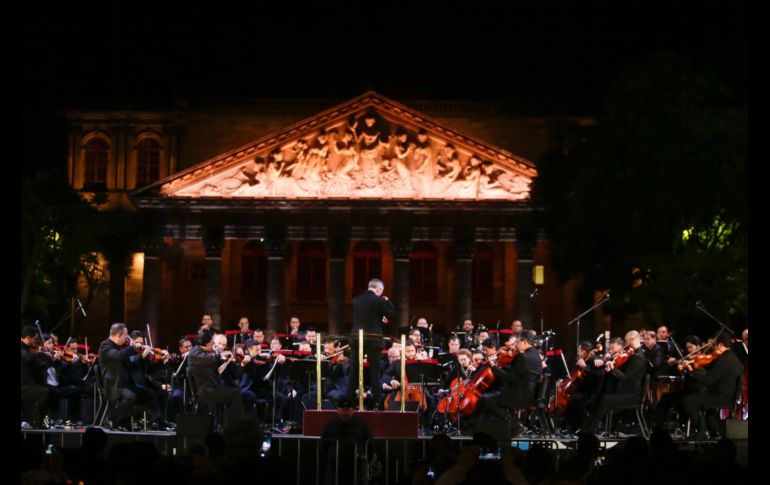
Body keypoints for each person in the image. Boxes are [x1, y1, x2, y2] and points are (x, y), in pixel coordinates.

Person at [345, 278, 396, 409]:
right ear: (378, 289)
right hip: (373, 339)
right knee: (375, 372)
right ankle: (377, 404)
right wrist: (387, 301)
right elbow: (392, 315)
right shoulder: (379, 300)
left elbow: (367, 316)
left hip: (357, 337)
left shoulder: (356, 299)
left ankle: (348, 403)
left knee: (354, 370)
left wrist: (379, 317)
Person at [320, 397, 373, 485]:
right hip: (335, 468)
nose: (345, 412)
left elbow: (369, 445)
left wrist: (364, 460)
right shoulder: (330, 426)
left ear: (353, 410)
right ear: (338, 410)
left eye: (348, 409)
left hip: (356, 468)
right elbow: (323, 448)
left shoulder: (361, 425)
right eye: (343, 410)